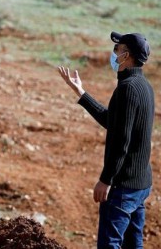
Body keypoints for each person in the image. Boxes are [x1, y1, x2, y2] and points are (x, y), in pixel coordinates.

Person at [58, 31, 154, 248]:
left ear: (125, 55)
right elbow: (113, 120)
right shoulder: (144, 87)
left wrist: (106, 179)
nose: (114, 53)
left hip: (123, 187)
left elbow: (121, 142)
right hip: (140, 184)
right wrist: (81, 92)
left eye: (116, 50)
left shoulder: (127, 89)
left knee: (109, 244)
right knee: (133, 245)